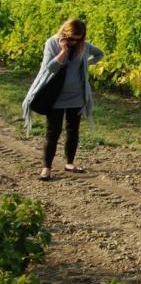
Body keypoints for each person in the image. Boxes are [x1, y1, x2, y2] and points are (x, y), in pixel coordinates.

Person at [22, 19, 104, 181]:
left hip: (77, 96)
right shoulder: (51, 43)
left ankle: (70, 163)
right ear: (64, 34)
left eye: (79, 39)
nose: (75, 42)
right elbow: (50, 68)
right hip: (55, 96)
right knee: (53, 132)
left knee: (73, 131)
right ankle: (46, 168)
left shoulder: (84, 45)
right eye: (72, 38)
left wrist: (87, 63)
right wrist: (63, 51)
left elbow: (99, 54)